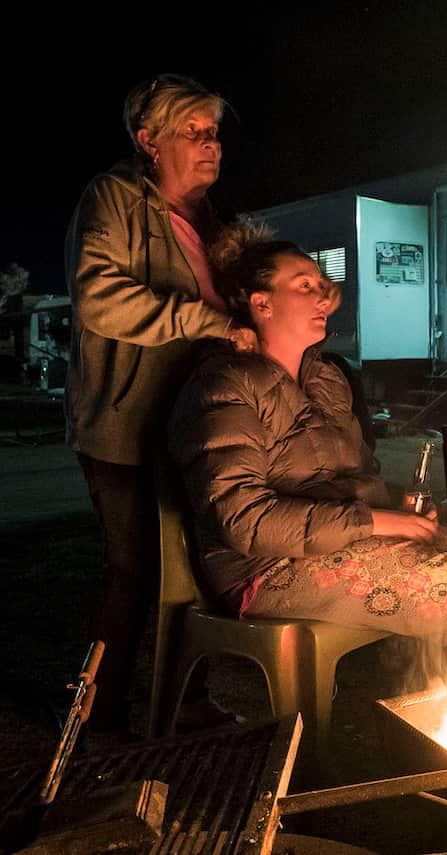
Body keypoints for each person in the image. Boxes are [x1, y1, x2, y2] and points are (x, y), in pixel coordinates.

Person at [168, 224, 447, 676]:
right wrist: (379, 520)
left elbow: (354, 475)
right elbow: (242, 518)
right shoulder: (227, 386)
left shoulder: (326, 380)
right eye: (304, 286)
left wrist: (396, 504)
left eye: (322, 285)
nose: (321, 297)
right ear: (261, 302)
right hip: (268, 568)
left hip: (354, 539)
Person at [65, 74, 257, 736]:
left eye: (215, 135)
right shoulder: (114, 200)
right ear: (147, 140)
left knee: (196, 562)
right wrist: (201, 320)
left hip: (190, 423)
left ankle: (188, 700)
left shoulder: (211, 224)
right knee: (134, 568)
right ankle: (98, 712)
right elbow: (97, 297)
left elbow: (241, 306)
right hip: (122, 421)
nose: (212, 148)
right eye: (194, 133)